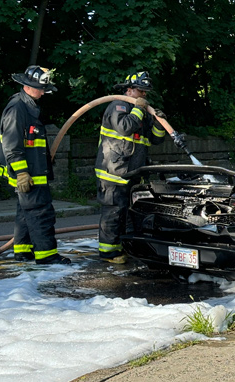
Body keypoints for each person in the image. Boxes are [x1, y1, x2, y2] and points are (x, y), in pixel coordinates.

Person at [0, 65, 71, 264]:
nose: (44, 92)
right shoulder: (18, 108)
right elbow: (12, 145)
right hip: (27, 173)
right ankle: (47, 255)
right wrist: (21, 173)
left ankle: (22, 251)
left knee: (25, 212)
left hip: (33, 171)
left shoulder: (29, 106)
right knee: (40, 212)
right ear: (27, 86)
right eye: (41, 88)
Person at [95, 71, 168, 264]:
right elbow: (125, 127)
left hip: (132, 173)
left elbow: (154, 140)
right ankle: (108, 253)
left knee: (127, 214)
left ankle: (123, 248)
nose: (144, 95)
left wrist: (159, 123)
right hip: (113, 172)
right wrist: (138, 109)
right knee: (113, 212)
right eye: (140, 91)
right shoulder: (118, 106)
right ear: (129, 90)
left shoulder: (141, 112)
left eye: (146, 93)